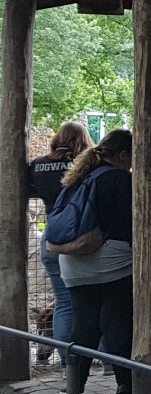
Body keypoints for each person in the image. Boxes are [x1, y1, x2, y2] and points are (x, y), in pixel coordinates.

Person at [55, 129, 135, 394]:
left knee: (84, 325)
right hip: (112, 260)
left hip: (73, 262)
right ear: (123, 155)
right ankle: (125, 385)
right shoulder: (121, 179)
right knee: (116, 324)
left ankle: (74, 385)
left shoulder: (78, 177)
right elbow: (128, 222)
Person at [26, 123, 95, 367]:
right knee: (99, 301)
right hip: (82, 240)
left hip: (52, 239)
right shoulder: (87, 165)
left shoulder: (37, 165)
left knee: (64, 303)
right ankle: (107, 362)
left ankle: (69, 365)